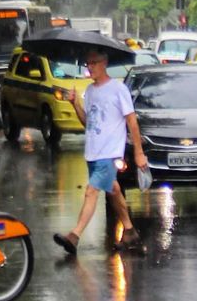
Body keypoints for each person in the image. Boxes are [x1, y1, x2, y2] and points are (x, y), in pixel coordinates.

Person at [53, 47, 149, 255]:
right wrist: (75, 103)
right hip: (93, 152)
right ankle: (130, 231)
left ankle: (75, 236)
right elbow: (87, 122)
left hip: (110, 152)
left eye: (94, 63)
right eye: (88, 63)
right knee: (113, 190)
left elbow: (131, 120)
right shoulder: (90, 91)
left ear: (105, 63)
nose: (90, 67)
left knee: (91, 191)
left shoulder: (118, 89)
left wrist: (138, 152)